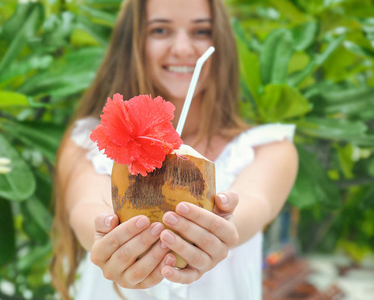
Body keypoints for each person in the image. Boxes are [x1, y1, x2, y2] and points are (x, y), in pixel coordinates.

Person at [50, 0, 298, 299]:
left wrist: (220, 230)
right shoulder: (89, 141)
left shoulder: (267, 148)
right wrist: (109, 244)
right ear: (134, 42)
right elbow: (86, 209)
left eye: (201, 31)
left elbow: (252, 204)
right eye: (160, 30)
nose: (182, 49)